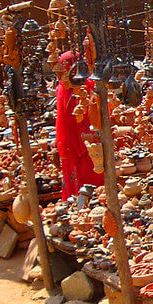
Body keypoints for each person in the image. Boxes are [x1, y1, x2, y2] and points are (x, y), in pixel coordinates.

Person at [54, 51, 102, 199]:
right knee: (87, 178)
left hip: (85, 142)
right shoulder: (64, 89)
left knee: (92, 179)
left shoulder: (86, 86)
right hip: (81, 144)